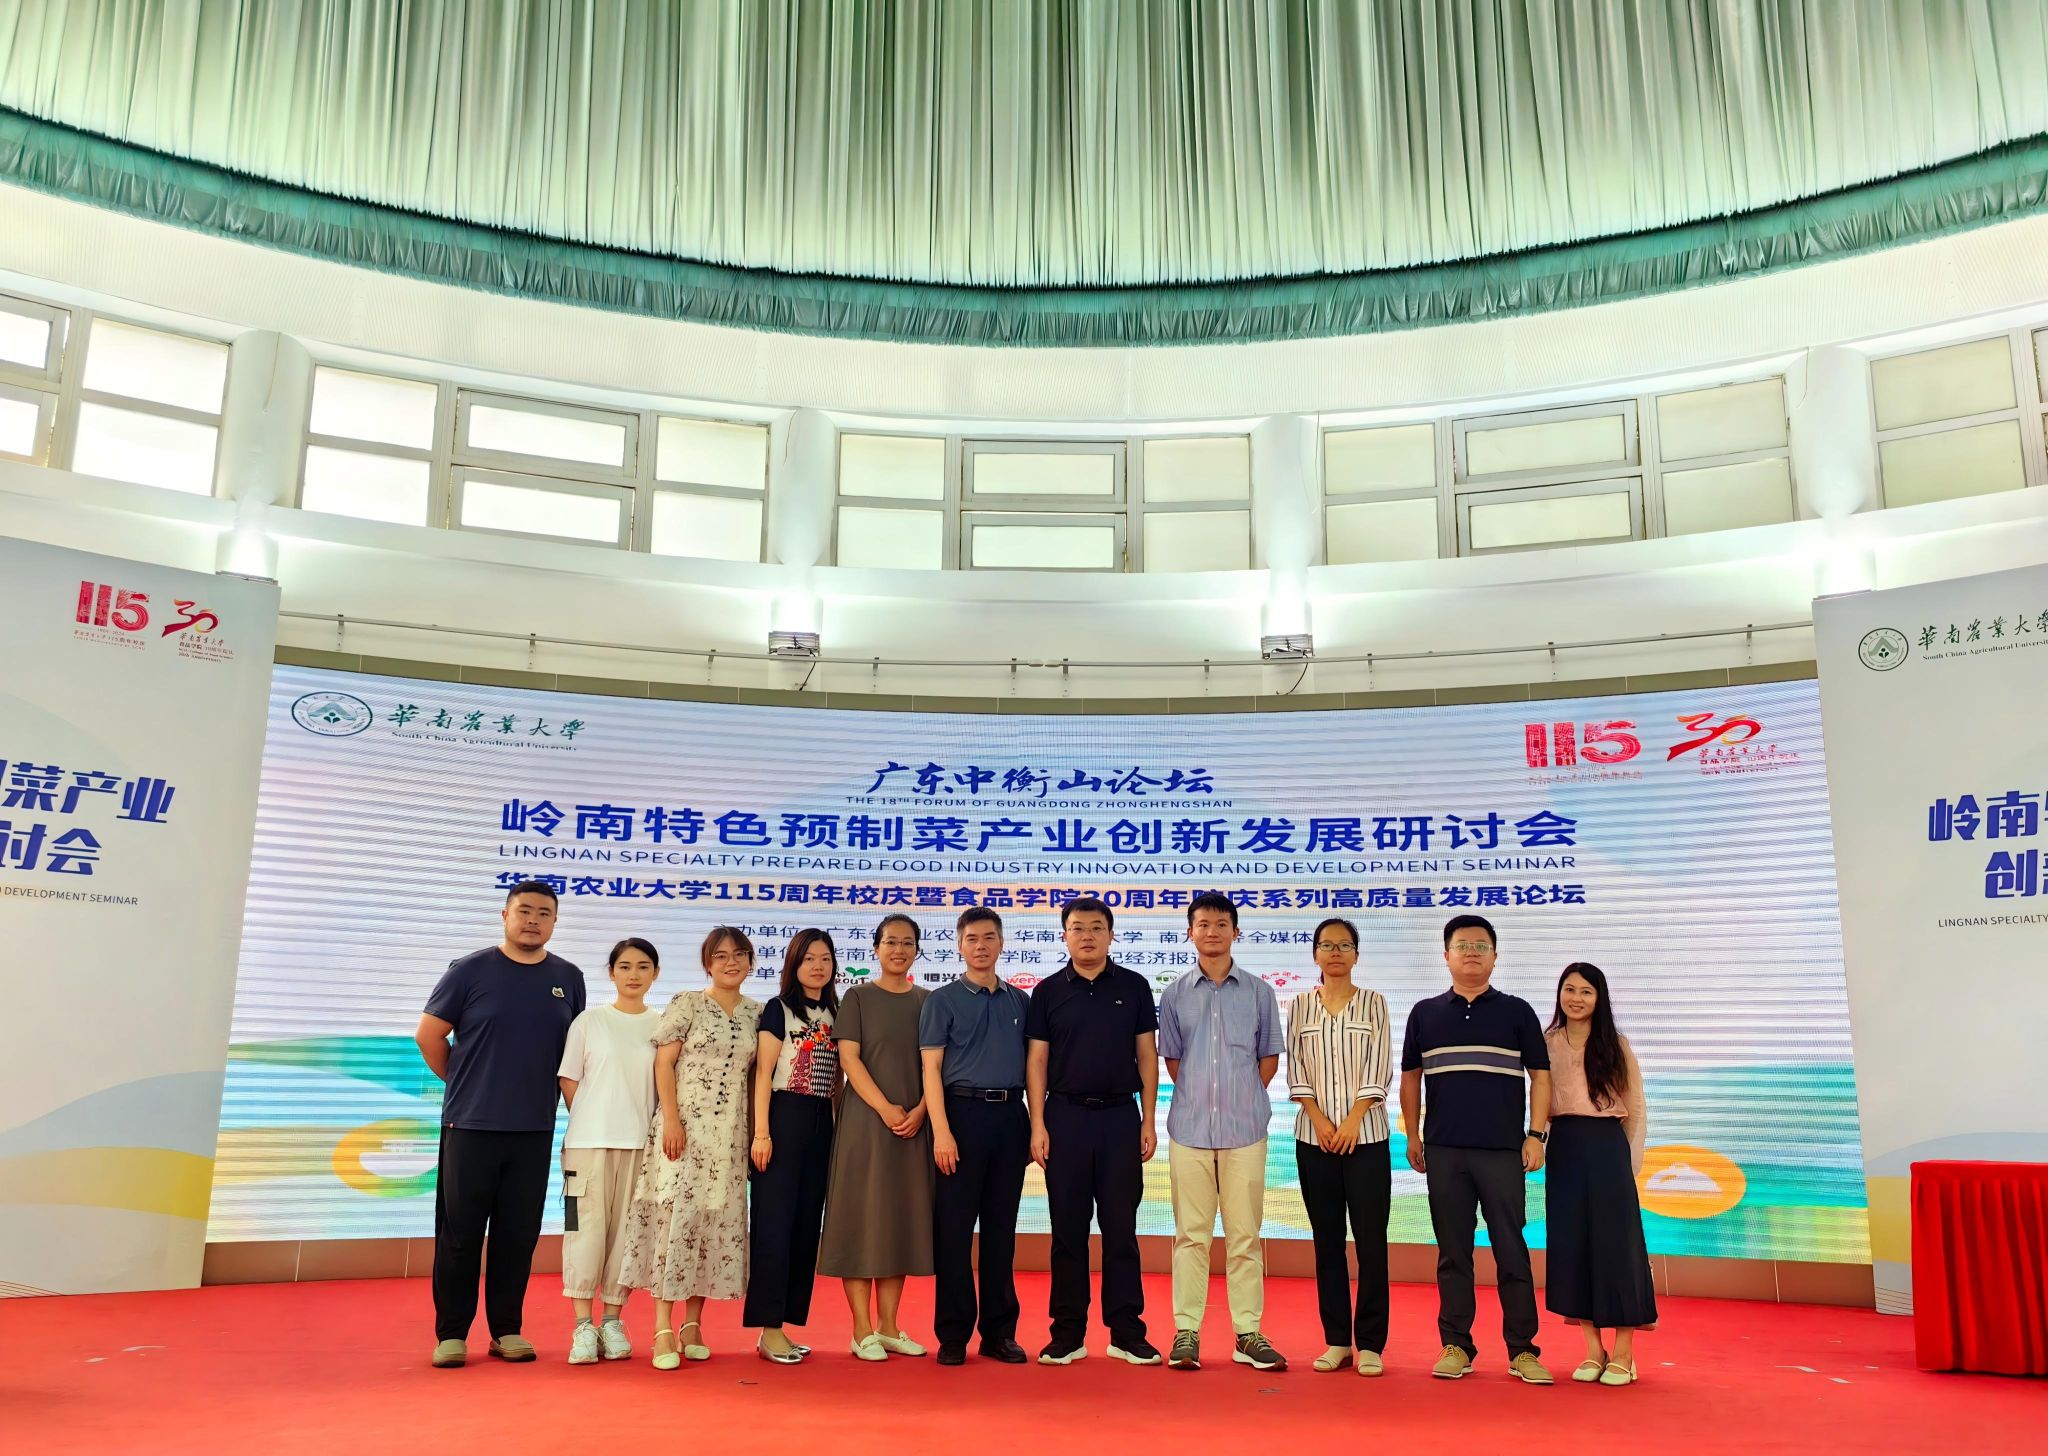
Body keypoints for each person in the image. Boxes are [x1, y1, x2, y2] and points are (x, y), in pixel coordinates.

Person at [414, 880, 586, 1369]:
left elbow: (573, 1052)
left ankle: (507, 1330)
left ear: (555, 922)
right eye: (524, 910)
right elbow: (429, 1036)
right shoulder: (469, 970)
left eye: (544, 913)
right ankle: (451, 1334)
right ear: (505, 916)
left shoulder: (568, 978)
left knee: (518, 1234)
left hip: (534, 1128)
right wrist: (464, 1082)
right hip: (470, 1126)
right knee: (460, 1234)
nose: (533, 920)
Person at [1398, 913, 1553, 1385]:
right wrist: (1412, 1135)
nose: (1471, 952)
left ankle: (1523, 1350)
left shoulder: (1517, 1012)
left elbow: (1541, 1077)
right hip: (1444, 1151)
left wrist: (1536, 1135)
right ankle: (1456, 1345)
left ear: (1495, 956)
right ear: (1446, 955)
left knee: (1512, 1250)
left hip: (1503, 1151)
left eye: (1481, 945)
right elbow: (1411, 1079)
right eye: (1462, 945)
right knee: (1453, 1253)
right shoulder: (1425, 1013)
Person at [1025, 895, 1162, 1366]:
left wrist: (1148, 1119)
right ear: (1064, 935)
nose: (1087, 936)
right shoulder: (1047, 992)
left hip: (1120, 1118)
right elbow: (1037, 1061)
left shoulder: (1134, 986)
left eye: (1097, 927)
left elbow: (1147, 1056)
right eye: (1078, 928)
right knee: (1067, 1230)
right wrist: (1037, 1123)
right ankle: (1067, 1334)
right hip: (1064, 1118)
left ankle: (1126, 1332)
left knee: (1121, 1229)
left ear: (1111, 934)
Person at [618, 927, 762, 1370]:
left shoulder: (757, 1013)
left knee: (711, 1225)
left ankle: (693, 1324)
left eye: (739, 954)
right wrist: (672, 1120)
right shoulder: (688, 1003)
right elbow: (664, 1063)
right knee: (674, 1221)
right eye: (721, 956)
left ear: (750, 961)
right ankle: (662, 1327)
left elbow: (756, 1077)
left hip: (730, 1137)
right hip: (683, 1133)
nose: (731, 962)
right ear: (707, 963)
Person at [1157, 892, 1286, 1373]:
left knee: (1245, 1237)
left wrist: (1238, 1098)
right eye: (1203, 924)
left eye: (1221, 924)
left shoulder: (1259, 992)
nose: (1212, 932)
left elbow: (1267, 1059)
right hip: (1189, 1129)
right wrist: (1204, 1098)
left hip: (1245, 1130)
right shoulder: (1174, 994)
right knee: (1190, 1236)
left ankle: (1248, 1334)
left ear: (1236, 931)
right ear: (1190, 933)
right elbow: (1174, 1061)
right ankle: (1186, 1331)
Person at [818, 914, 936, 1360]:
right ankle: (861, 1329)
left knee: (897, 1221)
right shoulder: (858, 997)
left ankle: (889, 1326)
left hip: (913, 1125)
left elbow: (936, 1064)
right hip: (866, 1124)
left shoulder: (928, 1001)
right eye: (890, 942)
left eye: (907, 942)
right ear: (876, 949)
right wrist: (886, 1108)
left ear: (917, 950)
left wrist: (922, 1110)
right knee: (860, 1218)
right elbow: (849, 1059)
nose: (898, 950)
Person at [920, 906, 1031, 1365]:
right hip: (960, 1117)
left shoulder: (1020, 1002)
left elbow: (1036, 1067)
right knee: (953, 1232)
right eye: (972, 939)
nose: (981, 946)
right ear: (959, 946)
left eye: (989, 938)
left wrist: (1033, 1125)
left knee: (1001, 1232)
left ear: (1001, 943)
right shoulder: (942, 1000)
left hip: (1010, 1117)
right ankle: (952, 1334)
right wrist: (941, 1132)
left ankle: (999, 1333)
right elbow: (930, 1069)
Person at [1285, 916, 1393, 1377]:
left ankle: (1370, 1344)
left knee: (1371, 1243)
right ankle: (1337, 1341)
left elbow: (1380, 1067)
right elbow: (1296, 1070)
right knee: (1326, 1242)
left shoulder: (1374, 1003)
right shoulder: (1299, 1006)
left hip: (1366, 1139)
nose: (1335, 952)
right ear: (1315, 954)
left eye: (1344, 945)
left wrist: (1351, 1121)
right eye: (1327, 945)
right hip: (1315, 1140)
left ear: (1356, 954)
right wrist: (1319, 1119)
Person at [1544, 962, 1657, 1387]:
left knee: (1617, 1248)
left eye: (1586, 991)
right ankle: (1594, 1350)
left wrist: (1627, 1164)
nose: (1576, 998)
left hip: (1608, 1147)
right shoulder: (1547, 1043)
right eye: (1569, 989)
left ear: (1599, 998)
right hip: (1564, 1147)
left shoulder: (1615, 1044)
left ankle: (1624, 1352)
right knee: (1573, 1245)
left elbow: (1636, 1107)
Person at [556, 937, 662, 1364]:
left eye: (642, 967)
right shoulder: (589, 1021)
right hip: (585, 1147)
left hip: (640, 1147)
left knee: (626, 1236)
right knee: (581, 1231)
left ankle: (612, 1321)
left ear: (655, 973)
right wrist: (591, 1119)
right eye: (624, 967)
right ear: (612, 972)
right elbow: (569, 1079)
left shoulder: (662, 1025)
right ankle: (583, 1326)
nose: (633, 975)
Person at [743, 928, 841, 1363]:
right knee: (774, 1226)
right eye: (808, 959)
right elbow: (763, 1074)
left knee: (804, 1227)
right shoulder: (778, 1008)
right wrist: (761, 1134)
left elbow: (839, 1077)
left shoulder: (837, 1011)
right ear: (794, 964)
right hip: (783, 1118)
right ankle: (768, 1329)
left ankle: (784, 1324)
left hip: (822, 1122)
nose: (818, 966)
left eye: (825, 959)